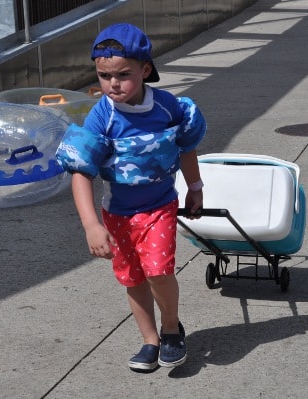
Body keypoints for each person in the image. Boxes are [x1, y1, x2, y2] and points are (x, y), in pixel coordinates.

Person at [56, 23, 206, 372]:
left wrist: (195, 188)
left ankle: (171, 330)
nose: (113, 84)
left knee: (157, 270)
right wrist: (91, 225)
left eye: (123, 74)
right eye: (104, 75)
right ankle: (149, 340)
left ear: (145, 69)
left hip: (159, 207)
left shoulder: (168, 108)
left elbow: (186, 148)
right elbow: (81, 172)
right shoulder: (102, 118)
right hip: (118, 213)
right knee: (133, 278)